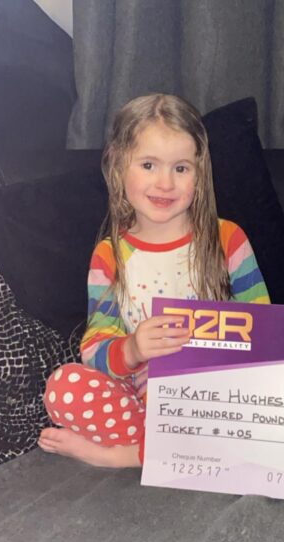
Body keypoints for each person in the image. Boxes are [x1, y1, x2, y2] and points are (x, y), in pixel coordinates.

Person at [39, 94, 269, 468]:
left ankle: (123, 457)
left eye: (181, 168)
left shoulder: (228, 239)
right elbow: (94, 348)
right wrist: (132, 349)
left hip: (217, 397)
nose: (165, 183)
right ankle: (166, 448)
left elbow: (266, 329)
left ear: (200, 173)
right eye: (148, 165)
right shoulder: (109, 255)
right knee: (64, 387)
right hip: (142, 401)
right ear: (118, 166)